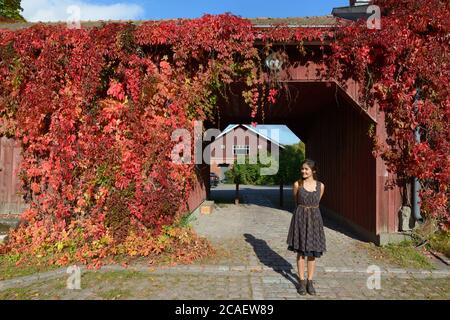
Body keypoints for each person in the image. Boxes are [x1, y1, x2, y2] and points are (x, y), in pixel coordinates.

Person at [286, 159, 326, 295]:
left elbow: (317, 202)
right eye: (302, 169)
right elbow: (296, 201)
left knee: (312, 252)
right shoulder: (297, 184)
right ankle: (301, 282)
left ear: (313, 171)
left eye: (306, 169)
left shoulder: (320, 186)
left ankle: (310, 281)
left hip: (315, 220)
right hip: (300, 218)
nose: (303, 171)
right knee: (301, 251)